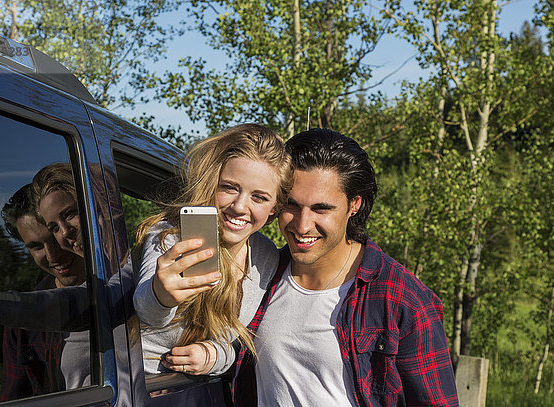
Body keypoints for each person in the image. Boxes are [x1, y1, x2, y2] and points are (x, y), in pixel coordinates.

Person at [233, 128, 459, 406]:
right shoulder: (257, 274)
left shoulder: (402, 299)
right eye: (291, 205)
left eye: (321, 209)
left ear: (354, 204)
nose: (302, 225)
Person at [133, 123, 292, 376]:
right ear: (212, 183)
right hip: (137, 384)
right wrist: (160, 294)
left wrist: (215, 357)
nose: (239, 206)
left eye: (259, 197)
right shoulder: (170, 235)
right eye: (229, 187)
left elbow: (236, 341)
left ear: (275, 207)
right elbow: (147, 311)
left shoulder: (267, 256)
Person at [0, 184, 85, 401]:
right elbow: (15, 400)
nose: (52, 256)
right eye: (36, 247)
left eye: (54, 235)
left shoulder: (136, 286)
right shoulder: (23, 321)